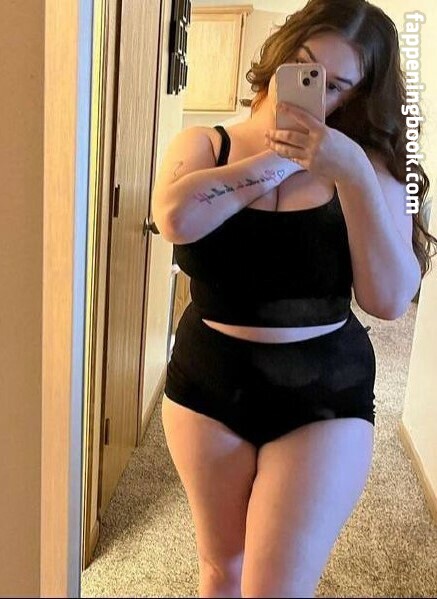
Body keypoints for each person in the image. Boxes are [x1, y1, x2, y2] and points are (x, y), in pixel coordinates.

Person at [152, 0, 436, 596]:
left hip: (323, 391)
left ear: (357, 96)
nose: (314, 90)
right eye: (305, 66)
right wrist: (277, 162)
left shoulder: (369, 168)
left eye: (336, 86)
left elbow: (388, 301)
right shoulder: (204, 143)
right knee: (220, 568)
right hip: (207, 382)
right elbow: (176, 218)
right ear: (282, 50)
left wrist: (352, 171)